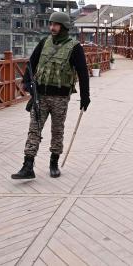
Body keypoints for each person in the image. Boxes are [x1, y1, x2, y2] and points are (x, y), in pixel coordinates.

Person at [12, 11, 90, 179]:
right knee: (34, 130)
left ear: (63, 27)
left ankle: (54, 163)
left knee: (57, 130)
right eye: (51, 24)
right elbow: (31, 64)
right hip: (40, 96)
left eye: (55, 24)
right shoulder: (44, 42)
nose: (52, 27)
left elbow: (83, 73)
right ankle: (28, 165)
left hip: (60, 98)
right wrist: (27, 82)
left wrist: (85, 96)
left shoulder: (74, 48)